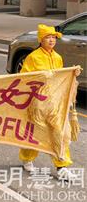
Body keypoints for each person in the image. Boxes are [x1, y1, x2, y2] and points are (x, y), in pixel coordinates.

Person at [18, 24, 77, 181]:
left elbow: (61, 78)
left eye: (53, 38)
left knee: (60, 132)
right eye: (48, 38)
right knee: (36, 132)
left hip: (55, 101)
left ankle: (61, 166)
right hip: (38, 102)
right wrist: (43, 77)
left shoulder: (58, 57)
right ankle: (27, 157)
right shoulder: (33, 57)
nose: (51, 40)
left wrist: (71, 75)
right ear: (41, 40)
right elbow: (24, 78)